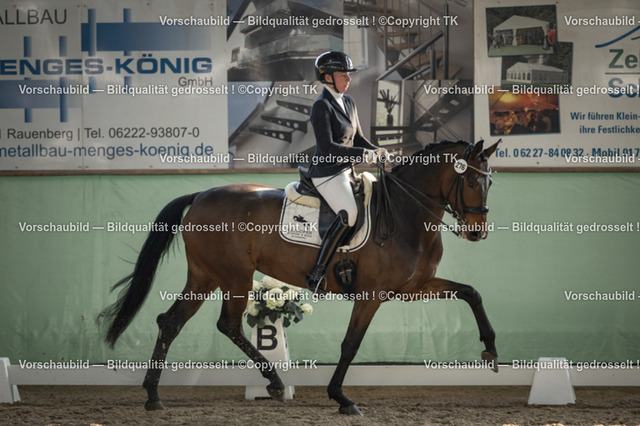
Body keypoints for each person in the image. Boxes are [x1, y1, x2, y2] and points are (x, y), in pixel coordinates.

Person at [305, 50, 386, 294]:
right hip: (327, 173)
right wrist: (364, 155)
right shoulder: (321, 106)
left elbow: (358, 138)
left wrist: (377, 151)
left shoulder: (348, 101)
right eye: (343, 75)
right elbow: (328, 148)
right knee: (350, 213)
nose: (349, 79)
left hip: (347, 171)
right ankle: (318, 272)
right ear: (327, 77)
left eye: (348, 75)